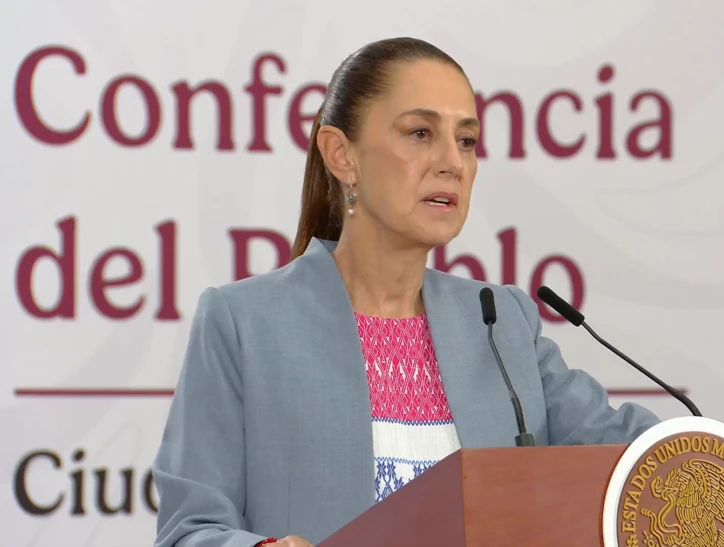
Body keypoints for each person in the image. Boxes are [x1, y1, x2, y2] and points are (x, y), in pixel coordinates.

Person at [151, 37, 663, 547]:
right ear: (341, 155)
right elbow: (188, 531)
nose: (452, 162)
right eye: (421, 133)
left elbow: (637, 460)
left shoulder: (500, 323)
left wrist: (704, 452)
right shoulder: (244, 323)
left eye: (467, 140)